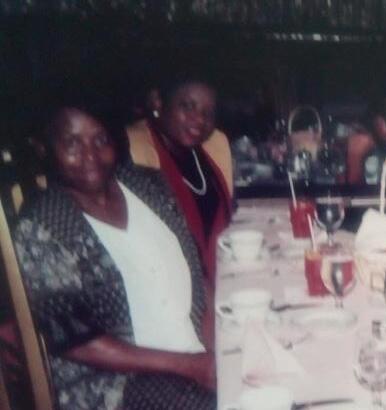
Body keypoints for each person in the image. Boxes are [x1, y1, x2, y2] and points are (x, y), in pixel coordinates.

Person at [15, 107, 215, 409]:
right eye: (72, 143)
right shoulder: (42, 225)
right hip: (115, 384)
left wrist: (216, 347)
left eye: (101, 140)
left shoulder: (148, 185)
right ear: (45, 148)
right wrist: (189, 365)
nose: (90, 155)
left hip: (193, 354)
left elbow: (197, 273)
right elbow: (77, 341)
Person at [126, 78, 233, 280]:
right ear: (157, 102)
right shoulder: (135, 153)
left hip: (223, 278)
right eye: (188, 106)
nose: (200, 119)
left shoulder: (211, 149)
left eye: (209, 113)